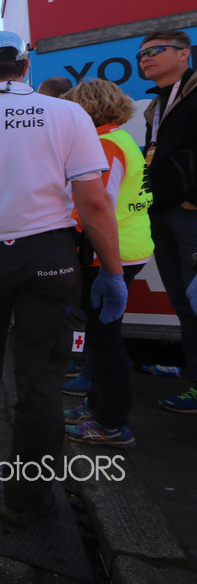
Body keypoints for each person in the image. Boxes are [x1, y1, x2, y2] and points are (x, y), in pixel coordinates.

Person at [0, 30, 127, 527]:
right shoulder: (68, 116)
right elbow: (94, 202)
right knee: (41, 379)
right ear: (25, 66)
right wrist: (113, 271)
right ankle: (28, 501)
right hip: (49, 256)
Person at [57, 79, 152, 448]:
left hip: (107, 255)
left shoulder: (102, 144)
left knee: (104, 339)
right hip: (126, 247)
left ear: (85, 109)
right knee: (101, 338)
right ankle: (97, 407)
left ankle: (111, 423)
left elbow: (97, 206)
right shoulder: (118, 138)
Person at [137, 30, 197, 412]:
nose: (145, 58)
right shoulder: (156, 105)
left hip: (189, 214)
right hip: (161, 212)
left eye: (155, 50)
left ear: (184, 54)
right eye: (141, 54)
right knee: (184, 303)